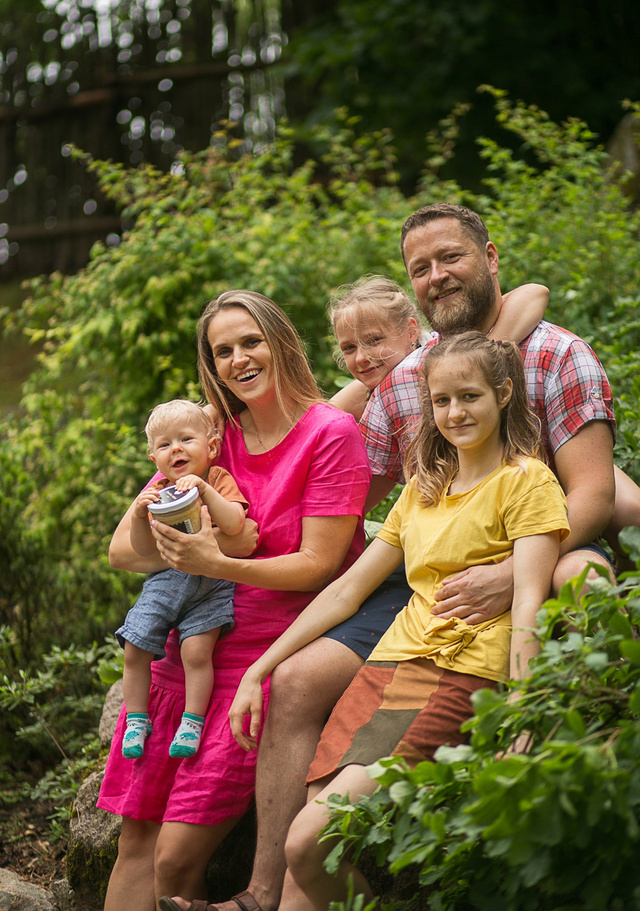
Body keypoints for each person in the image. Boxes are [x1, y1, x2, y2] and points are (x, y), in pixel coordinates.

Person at [181, 205, 616, 911]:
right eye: (421, 267)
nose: (437, 275)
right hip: (417, 626)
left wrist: (513, 577)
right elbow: (346, 492)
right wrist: (218, 471)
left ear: (491, 258)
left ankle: (577, 732)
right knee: (305, 762)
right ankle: (265, 892)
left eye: (452, 257)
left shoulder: (553, 367)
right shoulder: (411, 394)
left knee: (578, 574)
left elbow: (592, 494)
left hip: (529, 564)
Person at [98, 291, 372, 911]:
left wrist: (218, 562)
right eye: (223, 351)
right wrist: (191, 546)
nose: (240, 359)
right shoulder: (211, 435)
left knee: (173, 859)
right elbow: (124, 552)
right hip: (182, 660)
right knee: (135, 843)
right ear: (211, 366)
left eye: (251, 342)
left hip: (259, 660)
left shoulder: (329, 434)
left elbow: (319, 566)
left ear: (283, 342)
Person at [116, 399, 248, 760]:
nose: (176, 449)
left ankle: (192, 722)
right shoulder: (158, 493)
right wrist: (140, 515)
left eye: (186, 439)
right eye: (164, 444)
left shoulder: (217, 479)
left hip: (213, 583)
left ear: (212, 447)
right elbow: (143, 550)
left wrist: (204, 490)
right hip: (165, 583)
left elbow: (235, 524)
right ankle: (136, 720)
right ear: (153, 459)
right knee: (134, 647)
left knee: (196, 652)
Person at [329, 272, 549, 422]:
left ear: (411, 332)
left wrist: (481, 357)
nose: (361, 358)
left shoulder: (445, 348)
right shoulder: (377, 383)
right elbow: (322, 417)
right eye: (349, 348)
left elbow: (535, 293)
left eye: (374, 340)